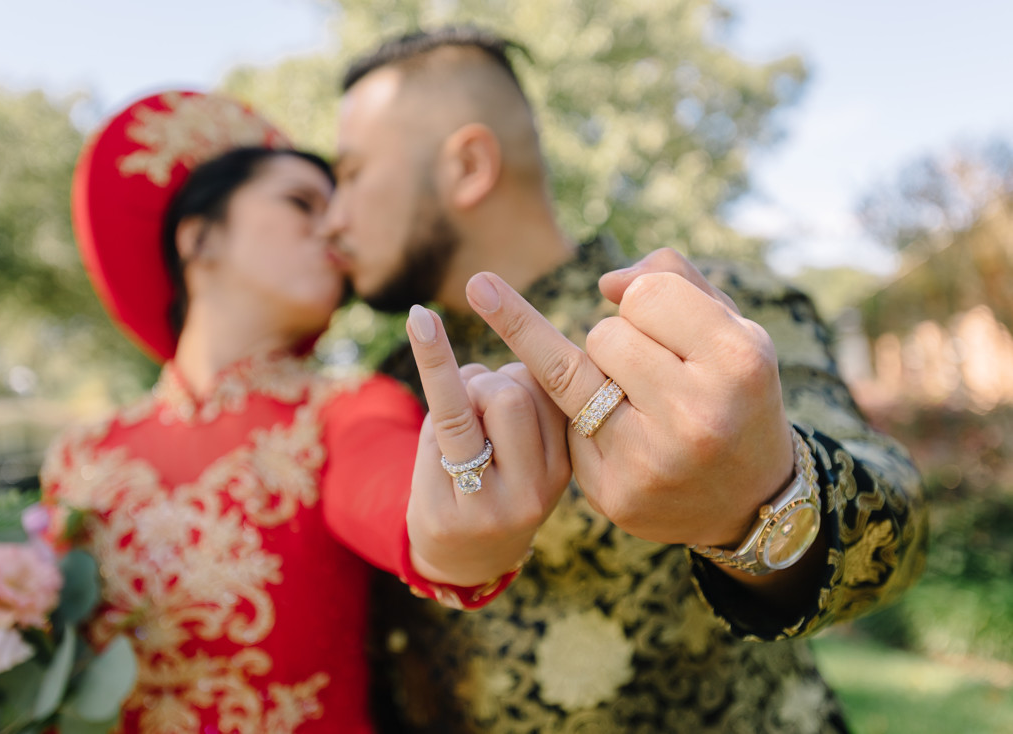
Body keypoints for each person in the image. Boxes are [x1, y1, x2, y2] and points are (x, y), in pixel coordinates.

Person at [321, 27, 929, 732]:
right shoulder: (384, 390)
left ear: (468, 166)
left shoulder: (704, 312)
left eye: (354, 174)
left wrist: (764, 498)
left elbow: (901, 528)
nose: (333, 220)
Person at [39, 90, 570, 734]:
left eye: (338, 209)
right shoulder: (81, 458)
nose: (335, 229)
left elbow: (406, 511)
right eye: (301, 204)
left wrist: (461, 532)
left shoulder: (345, 409)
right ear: (199, 237)